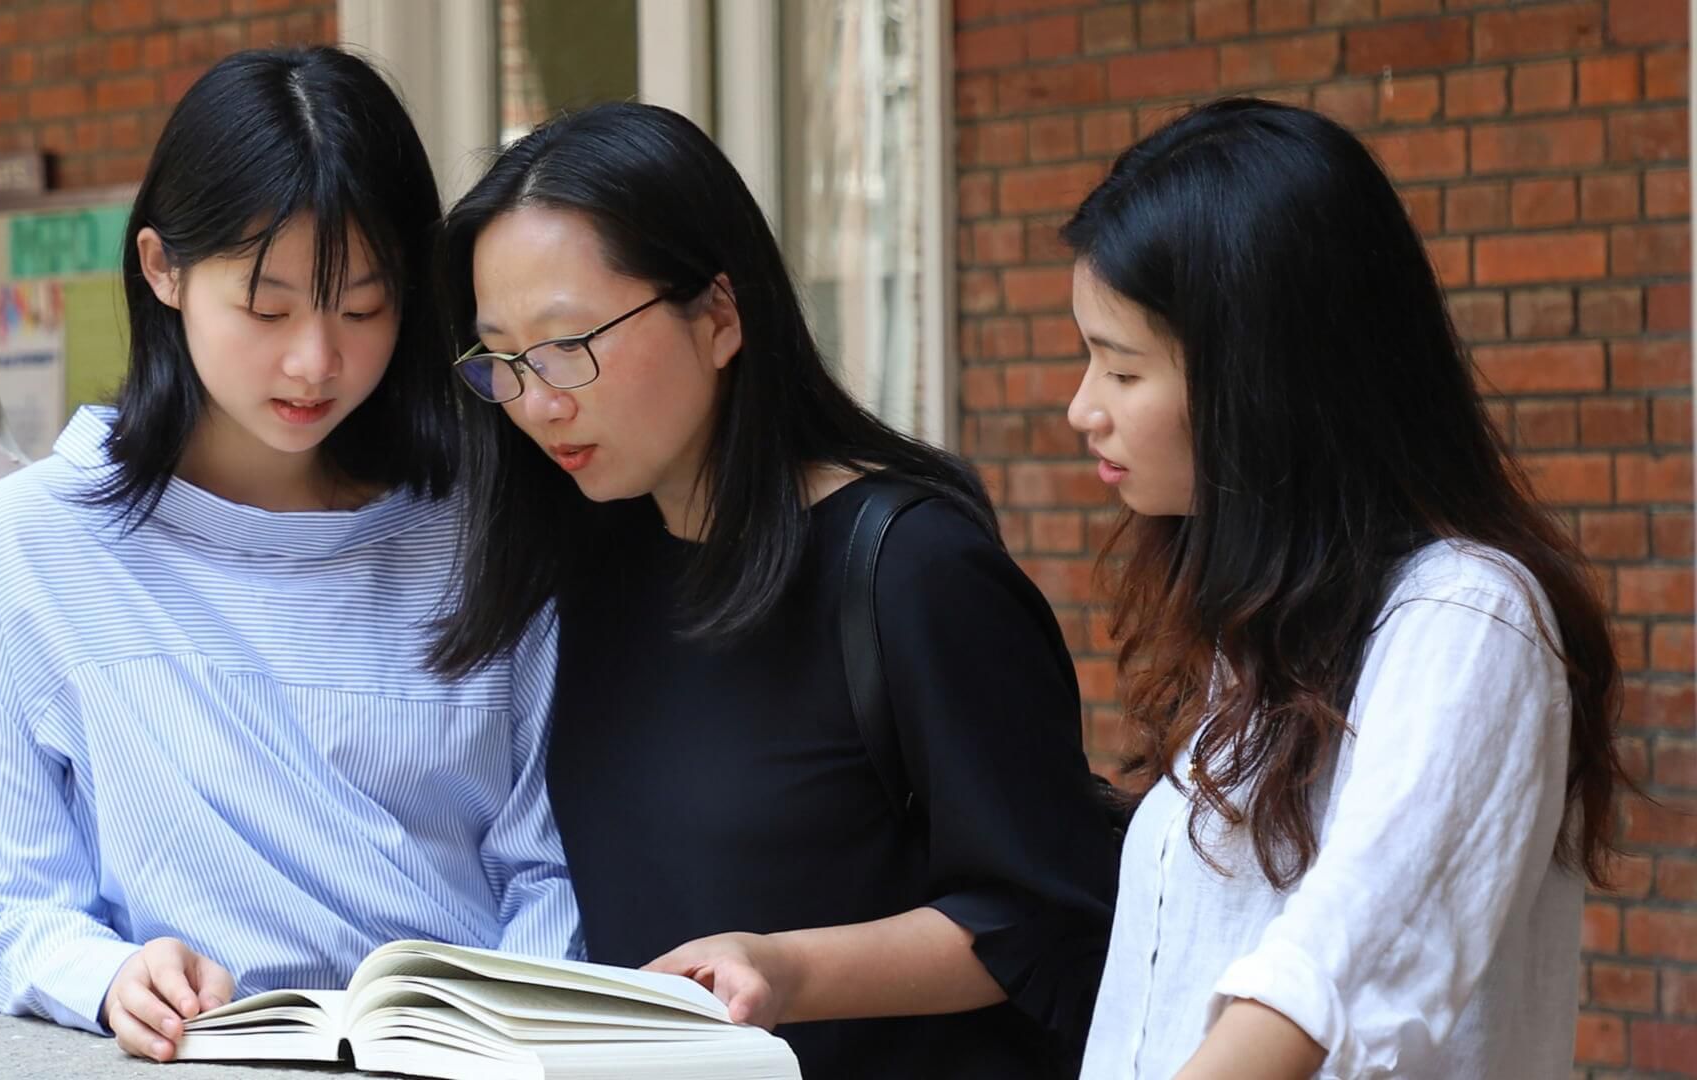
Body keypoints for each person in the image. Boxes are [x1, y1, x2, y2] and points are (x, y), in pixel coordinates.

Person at [430, 101, 1120, 1078]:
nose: (539, 402)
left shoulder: (909, 569)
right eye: (502, 360)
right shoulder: (578, 569)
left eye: (569, 344)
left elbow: (1044, 916)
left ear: (719, 315)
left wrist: (788, 971)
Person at [0, 47, 577, 1063]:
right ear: (163, 269)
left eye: (363, 308)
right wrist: (110, 977)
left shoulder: (486, 527)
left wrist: (510, 1038)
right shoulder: (29, 546)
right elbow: (9, 910)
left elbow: (548, 871)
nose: (315, 361)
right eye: (267, 307)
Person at [1065, 98, 1628, 1079]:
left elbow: (1322, 981)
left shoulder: (1468, 621)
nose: (1083, 409)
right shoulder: (1269, 634)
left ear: (1260, 381)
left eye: (1120, 369)